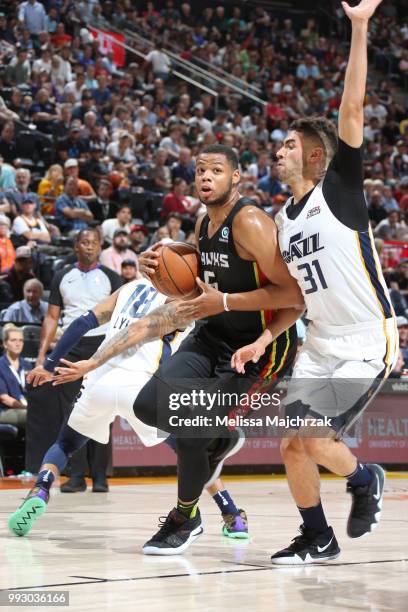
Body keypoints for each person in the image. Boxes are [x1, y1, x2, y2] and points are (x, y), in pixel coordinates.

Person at [231, 0, 398, 565]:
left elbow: (352, 102)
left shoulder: (340, 189)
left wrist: (358, 28)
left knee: (315, 437)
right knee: (290, 442)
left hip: (363, 336)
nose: (278, 151)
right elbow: (294, 296)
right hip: (319, 339)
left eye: (287, 146)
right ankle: (317, 537)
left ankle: (366, 475)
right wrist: (262, 338)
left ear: (315, 155)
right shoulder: (280, 220)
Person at [124, 143, 303, 554]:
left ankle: (184, 518)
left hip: (258, 350)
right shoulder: (204, 224)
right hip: (212, 334)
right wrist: (158, 271)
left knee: (191, 436)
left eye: (216, 171)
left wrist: (222, 303)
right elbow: (194, 286)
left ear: (235, 177)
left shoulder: (251, 223)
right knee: (148, 406)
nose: (206, 177)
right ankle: (219, 439)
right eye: (200, 170)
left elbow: (294, 295)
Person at [9, 276, 248, 540]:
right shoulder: (183, 298)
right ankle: (232, 515)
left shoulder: (130, 287)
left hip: (99, 380)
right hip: (141, 389)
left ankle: (40, 488)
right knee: (193, 451)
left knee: (64, 444)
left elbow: (84, 322)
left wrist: (50, 363)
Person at [25, 228, 122, 491]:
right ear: (76, 246)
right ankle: (77, 476)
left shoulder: (112, 277)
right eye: (84, 242)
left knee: (103, 408)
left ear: (100, 247)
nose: (89, 247)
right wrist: (42, 358)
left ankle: (100, 476)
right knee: (72, 411)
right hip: (70, 345)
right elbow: (52, 318)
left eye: (94, 243)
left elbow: (119, 318)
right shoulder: (62, 276)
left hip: (102, 346)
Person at [0, 326, 32, 427]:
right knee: (32, 416)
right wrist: (25, 407)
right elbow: (4, 398)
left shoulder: (27, 364)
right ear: (5, 344)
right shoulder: (1, 365)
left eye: (21, 340)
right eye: (13, 340)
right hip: (5, 410)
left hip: (26, 407)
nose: (18, 344)